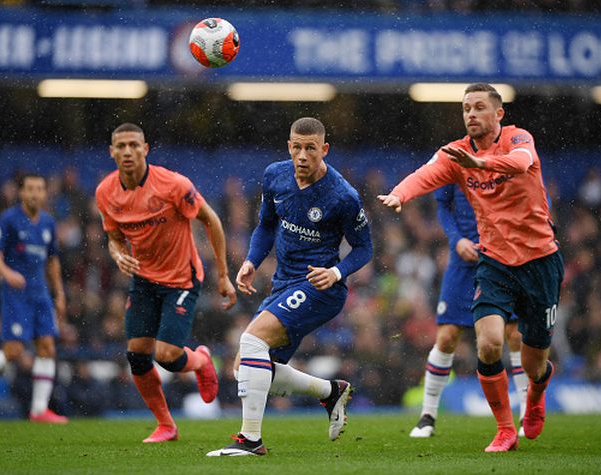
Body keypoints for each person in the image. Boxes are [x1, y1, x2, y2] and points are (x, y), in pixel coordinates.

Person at [379, 83, 563, 453]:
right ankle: (505, 430)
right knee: (490, 343)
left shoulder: (517, 138)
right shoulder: (456, 153)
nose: (471, 115)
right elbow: (425, 174)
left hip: (540, 260)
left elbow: (522, 163)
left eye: (479, 108)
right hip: (493, 262)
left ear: (498, 114)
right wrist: (400, 193)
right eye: (466, 109)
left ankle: (538, 389)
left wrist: (481, 164)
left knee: (532, 360)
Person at [207, 117, 373, 457]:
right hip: (284, 283)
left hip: (320, 286)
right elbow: (266, 226)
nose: (302, 155)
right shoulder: (275, 176)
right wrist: (252, 260)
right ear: (288, 146)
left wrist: (337, 273)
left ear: (324, 149)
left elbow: (364, 248)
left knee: (252, 339)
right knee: (247, 366)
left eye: (310, 148)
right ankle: (329, 392)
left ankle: (250, 440)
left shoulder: (343, 195)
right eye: (296, 147)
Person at [94, 123, 237, 443]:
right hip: (143, 280)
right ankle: (166, 426)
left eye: (134, 145)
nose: (128, 151)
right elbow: (114, 239)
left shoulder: (173, 185)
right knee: (137, 355)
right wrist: (117, 255)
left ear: (146, 149)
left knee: (168, 356)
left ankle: (200, 361)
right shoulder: (106, 192)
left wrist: (224, 274)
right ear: (112, 152)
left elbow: (211, 219)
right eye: (121, 146)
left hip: (181, 279)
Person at [409, 184, 528, 438]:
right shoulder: (454, 158)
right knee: (447, 336)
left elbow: (536, 196)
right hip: (463, 261)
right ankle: (427, 415)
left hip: (503, 259)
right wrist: (457, 239)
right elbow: (442, 204)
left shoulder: (510, 152)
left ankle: (526, 413)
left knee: (515, 334)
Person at [0, 174, 68, 424]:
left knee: (47, 346)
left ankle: (38, 410)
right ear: (21, 193)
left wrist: (60, 293)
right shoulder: (9, 219)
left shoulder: (47, 223)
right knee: (13, 350)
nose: (35, 193)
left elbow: (52, 260)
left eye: (40, 189)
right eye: (30, 189)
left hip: (40, 293)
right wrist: (7, 273)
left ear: (45, 193)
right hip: (16, 293)